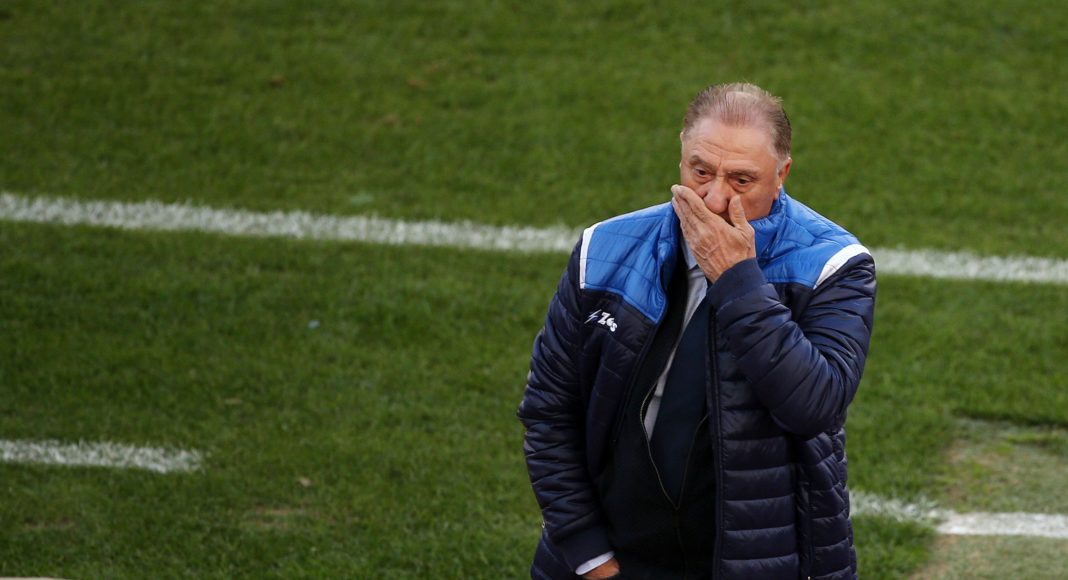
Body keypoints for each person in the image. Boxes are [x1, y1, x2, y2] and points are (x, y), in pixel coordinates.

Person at [518, 82, 876, 580]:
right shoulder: (602, 249)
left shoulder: (834, 267)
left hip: (757, 561)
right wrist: (589, 556)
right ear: (681, 154)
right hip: (609, 562)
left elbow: (814, 406)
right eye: (700, 171)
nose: (714, 198)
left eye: (742, 180)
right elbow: (550, 409)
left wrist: (737, 280)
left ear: (782, 175)